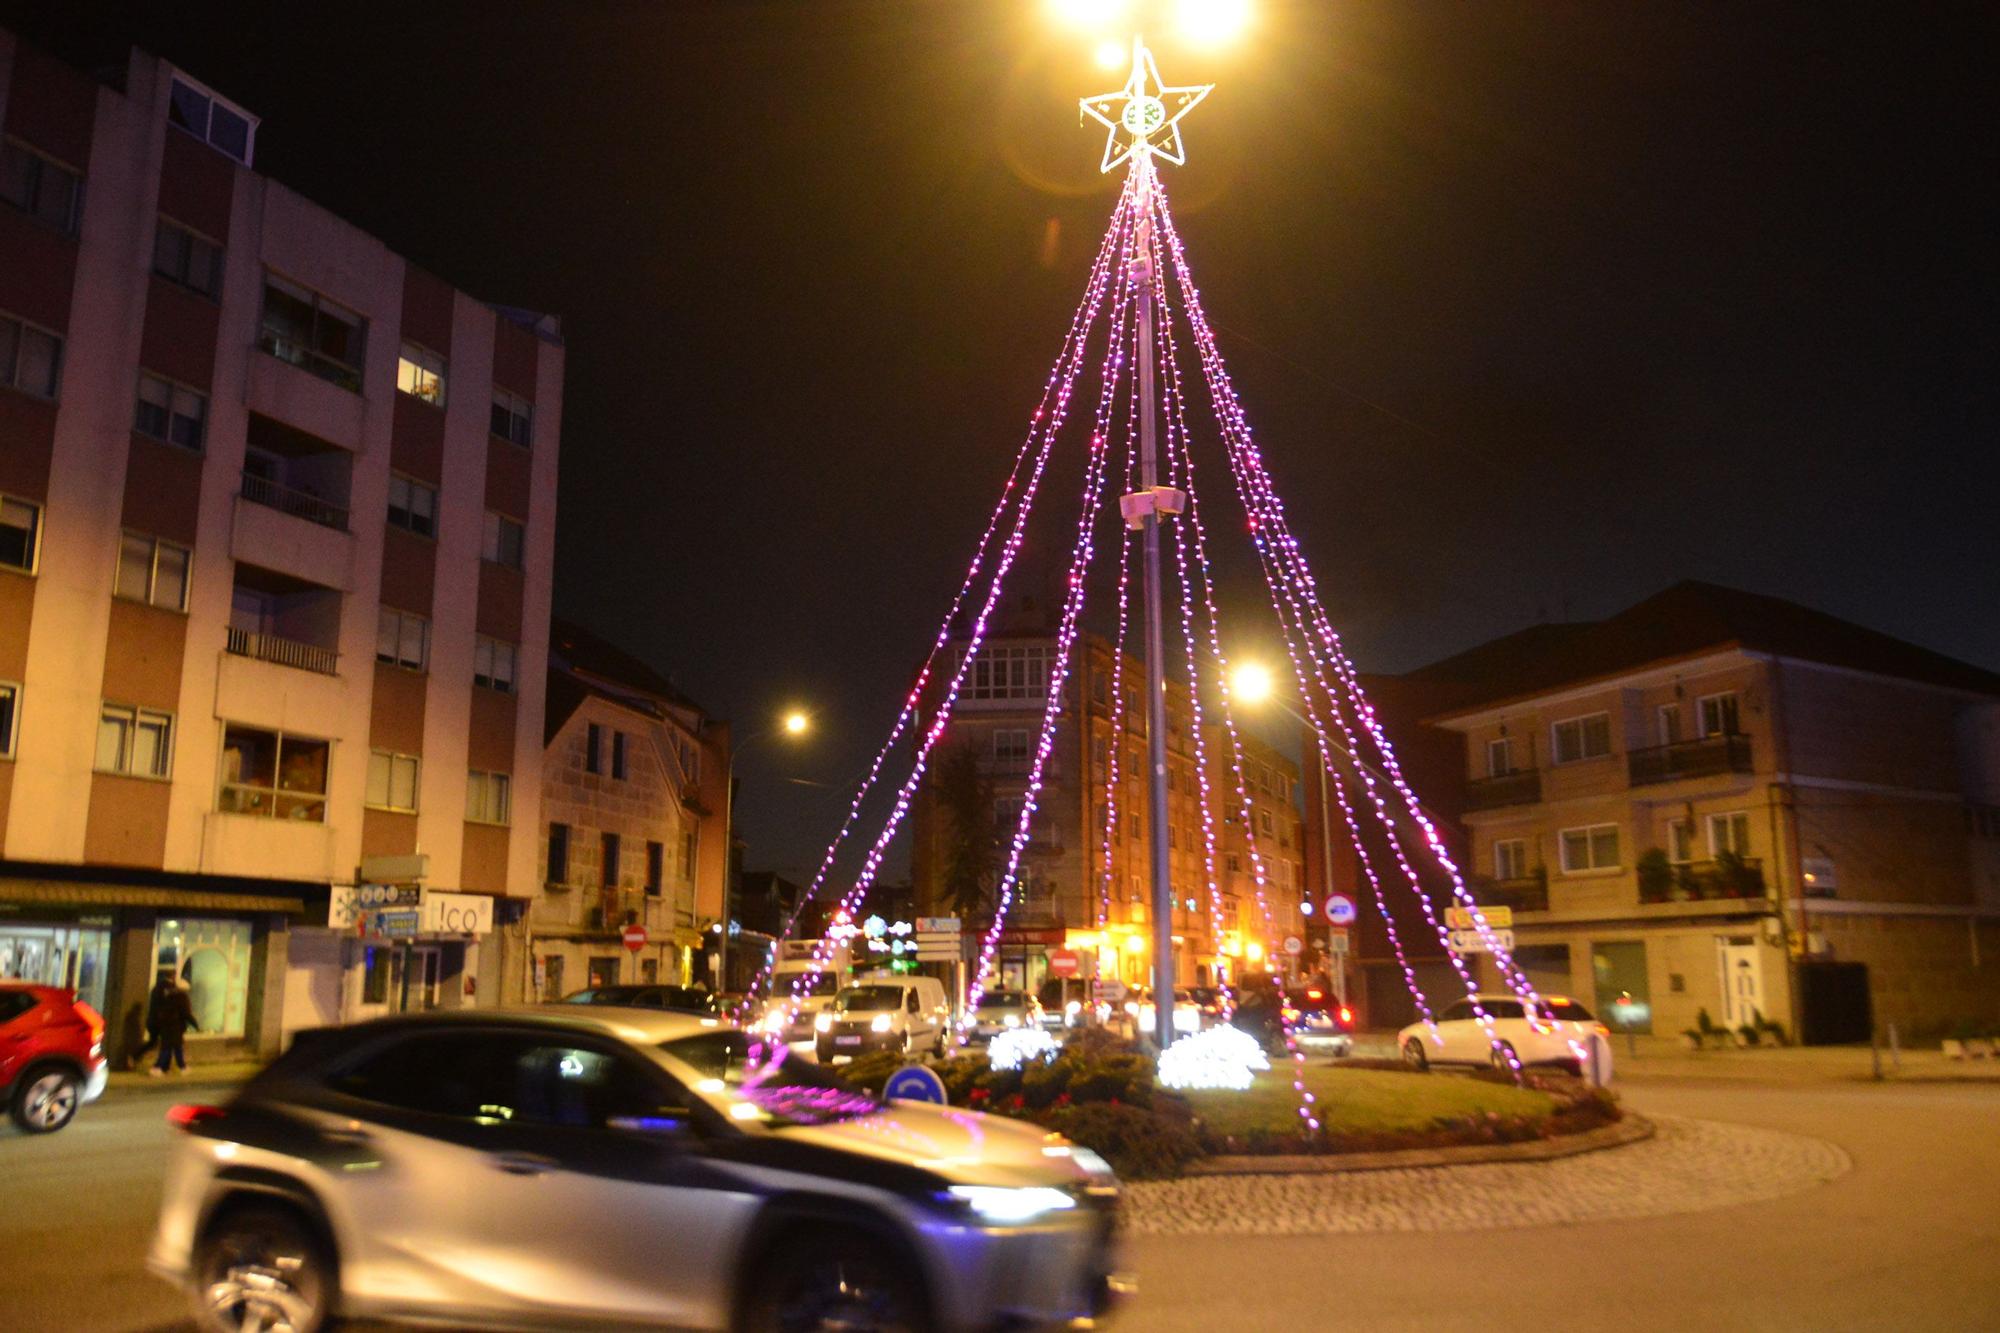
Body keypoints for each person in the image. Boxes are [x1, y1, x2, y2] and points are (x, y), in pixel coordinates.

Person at [148, 972, 198, 1076]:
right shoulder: (182, 998)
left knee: (173, 1048)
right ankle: (158, 1068)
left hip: (167, 1026)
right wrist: (196, 1025)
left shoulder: (169, 996)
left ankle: (180, 1067)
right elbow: (186, 1013)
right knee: (169, 1049)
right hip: (175, 1027)